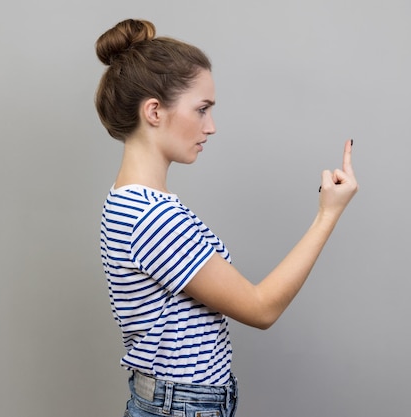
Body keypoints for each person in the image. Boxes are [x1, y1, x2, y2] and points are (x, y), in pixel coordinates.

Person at [95, 18, 358, 417]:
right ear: (153, 111)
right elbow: (260, 308)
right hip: (181, 408)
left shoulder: (124, 201)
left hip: (174, 403)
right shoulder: (153, 217)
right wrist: (328, 215)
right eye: (201, 109)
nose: (211, 127)